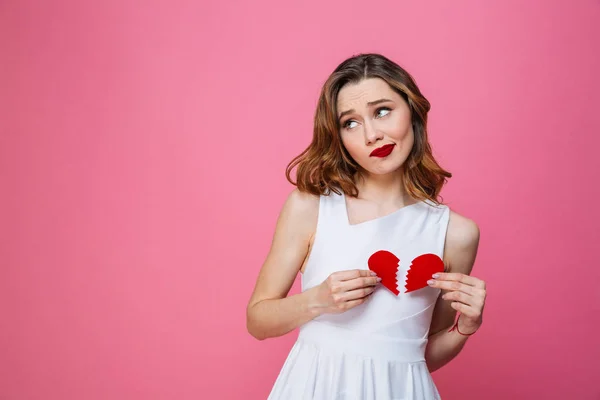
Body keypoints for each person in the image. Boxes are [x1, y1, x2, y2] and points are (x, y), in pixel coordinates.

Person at [246, 53, 487, 400]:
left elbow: (417, 357)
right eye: (351, 122)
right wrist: (318, 300)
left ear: (413, 111)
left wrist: (464, 329)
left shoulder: (457, 234)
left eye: (382, 111)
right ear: (339, 136)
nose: (372, 134)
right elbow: (257, 320)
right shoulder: (310, 206)